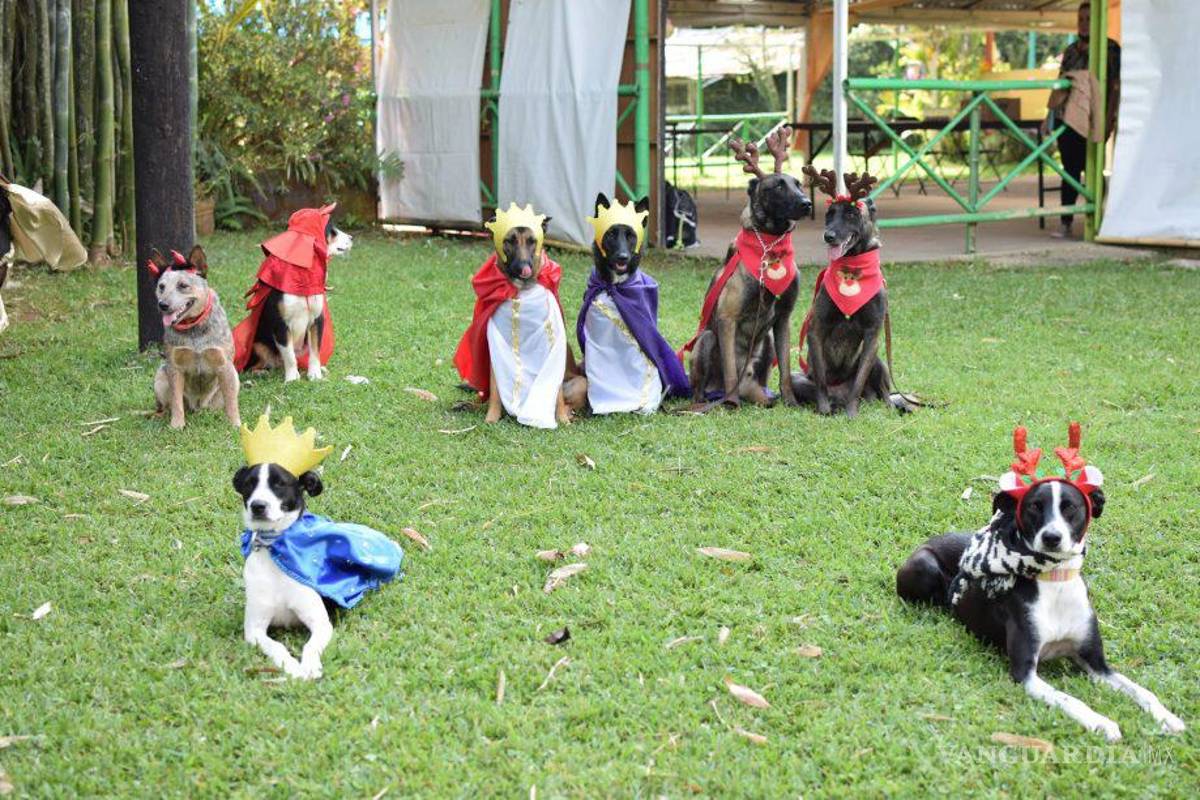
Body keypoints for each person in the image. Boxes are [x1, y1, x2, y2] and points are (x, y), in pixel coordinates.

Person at [1043, 2, 1121, 239]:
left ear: (1098, 21)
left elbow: (1115, 89)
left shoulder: (1111, 49)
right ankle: (1066, 222)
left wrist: (1109, 120)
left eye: (1089, 19)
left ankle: (1100, 217)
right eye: (1081, 19)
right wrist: (1049, 116)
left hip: (1095, 118)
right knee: (1070, 171)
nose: (1084, 24)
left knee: (1094, 171)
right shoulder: (1071, 51)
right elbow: (1060, 85)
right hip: (1068, 118)